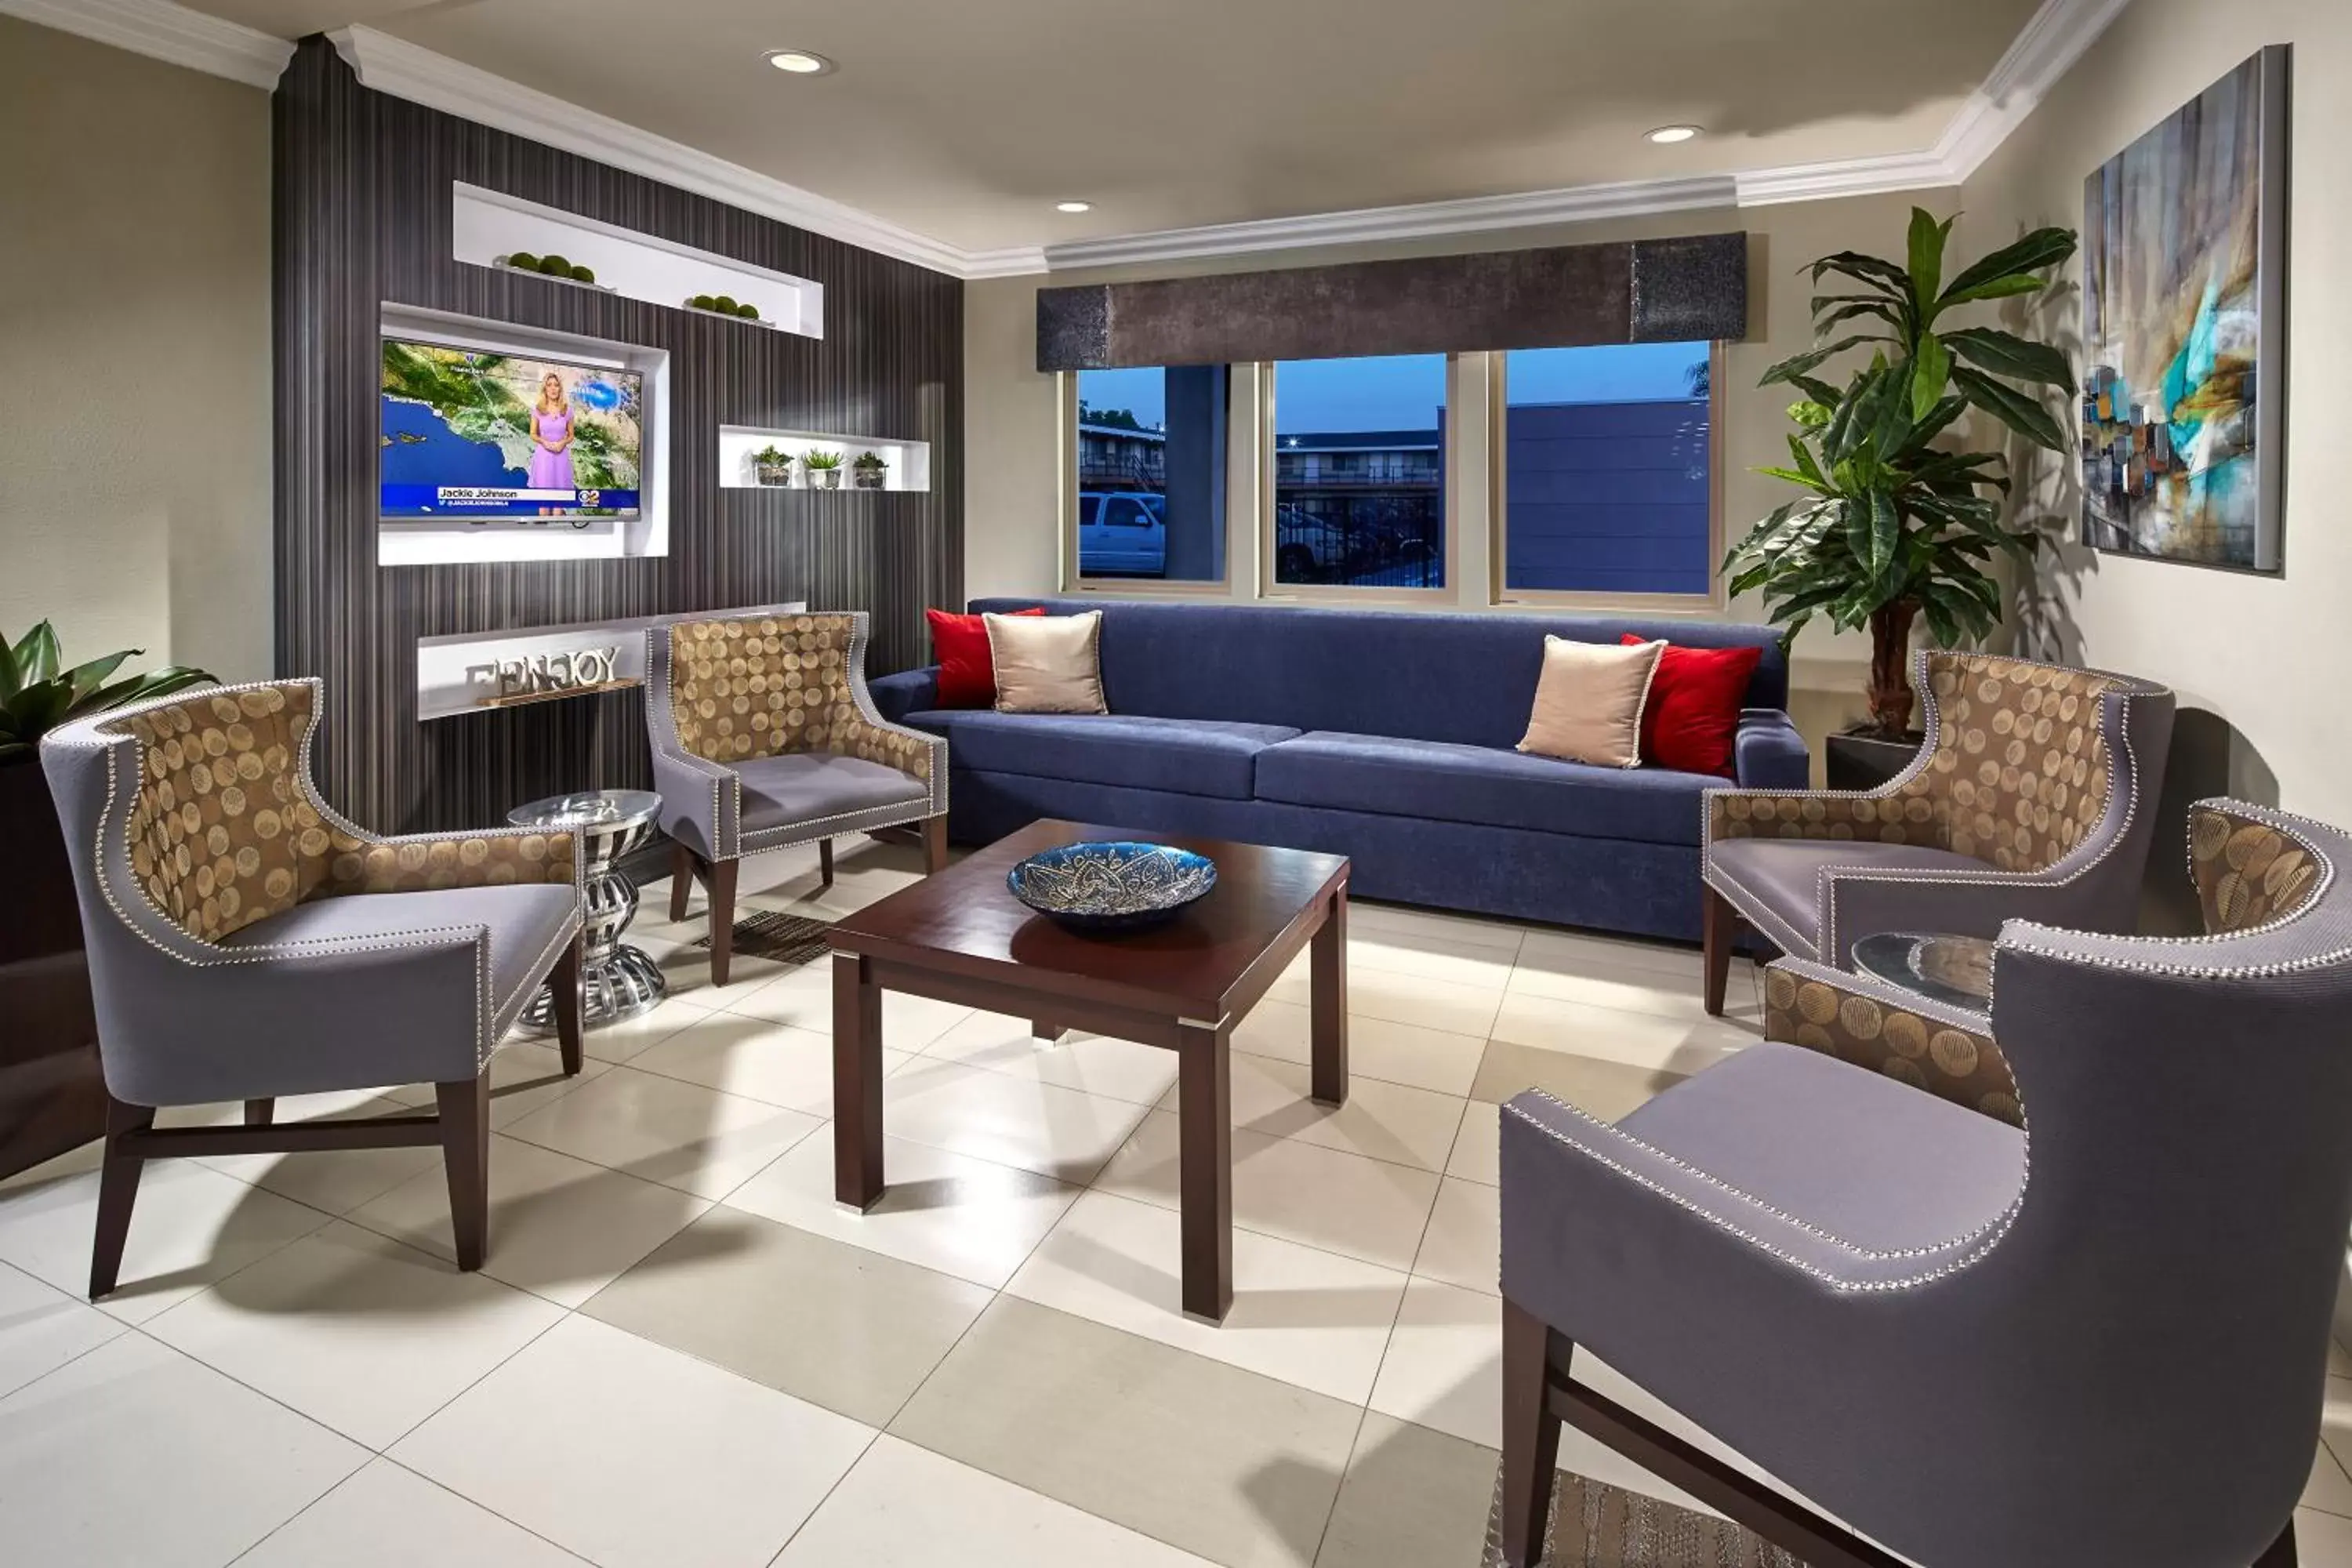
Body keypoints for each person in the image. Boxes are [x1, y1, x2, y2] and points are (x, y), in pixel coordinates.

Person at [526, 372, 575, 517]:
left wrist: (563, 442)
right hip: (544, 458)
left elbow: (571, 435)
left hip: (561, 458)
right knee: (544, 502)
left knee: (559, 501)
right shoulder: (538, 410)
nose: (553, 388)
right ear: (545, 389)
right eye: (549, 385)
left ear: (560, 389)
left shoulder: (567, 411)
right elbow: (533, 434)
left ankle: (559, 529)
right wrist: (544, 442)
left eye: (556, 385)